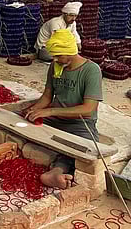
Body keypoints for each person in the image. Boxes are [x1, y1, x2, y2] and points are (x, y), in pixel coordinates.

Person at [25, 29, 103, 189]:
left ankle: (57, 171)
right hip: (55, 119)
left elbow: (88, 109)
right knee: (21, 123)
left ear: (70, 51)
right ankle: (55, 169)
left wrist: (51, 111)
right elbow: (47, 96)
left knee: (83, 148)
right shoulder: (55, 66)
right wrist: (32, 109)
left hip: (79, 123)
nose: (55, 59)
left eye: (58, 55)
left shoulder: (91, 70)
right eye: (54, 56)